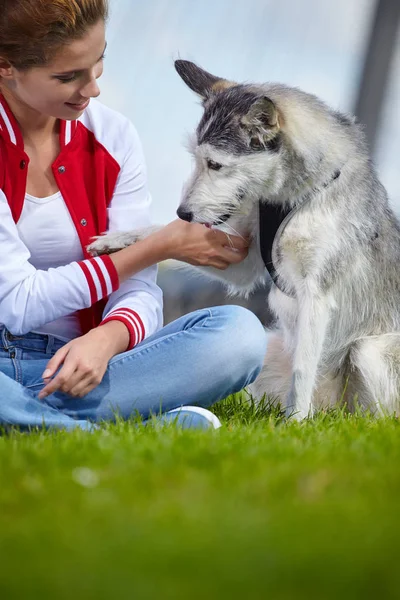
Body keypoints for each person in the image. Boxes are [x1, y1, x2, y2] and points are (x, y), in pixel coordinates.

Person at [0, 0, 267, 432]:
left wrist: (109, 338)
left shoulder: (114, 137)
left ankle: (28, 417)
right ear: (6, 66)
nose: (92, 89)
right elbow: (18, 303)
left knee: (239, 336)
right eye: (68, 76)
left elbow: (138, 293)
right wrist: (158, 245)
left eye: (98, 62)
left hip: (89, 362)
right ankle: (106, 429)